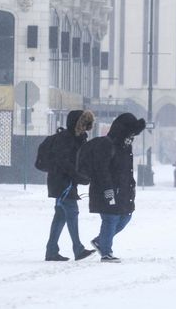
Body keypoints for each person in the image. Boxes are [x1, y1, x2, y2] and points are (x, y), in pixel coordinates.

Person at [81, 112, 146, 263]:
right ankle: (106, 253)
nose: (132, 137)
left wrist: (131, 186)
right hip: (106, 190)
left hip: (123, 190)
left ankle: (101, 242)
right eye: (131, 133)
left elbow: (126, 170)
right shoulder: (107, 145)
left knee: (126, 217)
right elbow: (102, 170)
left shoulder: (126, 146)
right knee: (110, 219)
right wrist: (108, 190)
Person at [44, 109, 96, 261]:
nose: (87, 127)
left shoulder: (75, 138)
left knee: (60, 216)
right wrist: (79, 176)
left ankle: (51, 251)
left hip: (62, 181)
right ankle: (78, 249)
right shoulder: (66, 139)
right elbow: (65, 163)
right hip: (63, 182)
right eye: (85, 124)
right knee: (72, 213)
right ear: (78, 124)